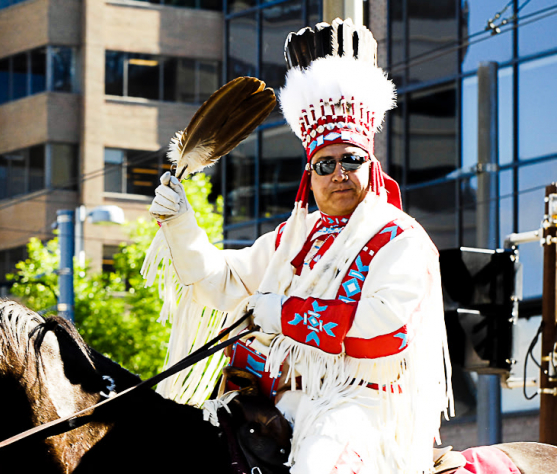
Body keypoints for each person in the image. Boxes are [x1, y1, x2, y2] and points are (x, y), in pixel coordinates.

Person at [143, 18, 453, 474]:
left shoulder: (400, 237)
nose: (338, 173)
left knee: (320, 462)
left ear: (371, 163)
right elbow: (219, 282)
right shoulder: (293, 237)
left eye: (352, 159)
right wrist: (181, 223)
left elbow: (385, 328)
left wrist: (281, 314)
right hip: (279, 400)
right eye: (325, 164)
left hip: (361, 409)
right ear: (310, 174)